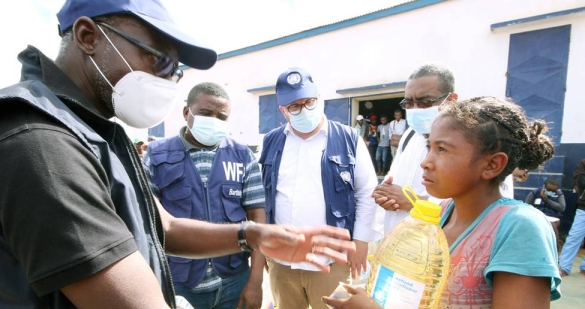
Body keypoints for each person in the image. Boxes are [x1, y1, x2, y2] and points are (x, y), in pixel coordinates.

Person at [0, 1, 356, 308]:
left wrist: (253, 235)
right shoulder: (40, 142)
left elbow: (164, 226)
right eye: (159, 61)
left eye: (176, 71)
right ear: (88, 37)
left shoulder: (97, 132)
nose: (168, 81)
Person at [323, 96, 560, 309]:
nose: (426, 162)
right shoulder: (443, 212)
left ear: (492, 164)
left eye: (442, 149)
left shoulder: (520, 228)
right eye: (429, 147)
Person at [259, 67, 384, 309]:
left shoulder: (349, 139)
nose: (303, 110)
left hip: (332, 261)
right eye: (294, 106)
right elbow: (262, 194)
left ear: (320, 100)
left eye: (309, 102)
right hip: (282, 262)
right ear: (283, 111)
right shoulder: (271, 141)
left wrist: (361, 242)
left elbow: (366, 193)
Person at [144, 82, 266, 309]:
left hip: (233, 280)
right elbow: (146, 225)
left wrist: (256, 281)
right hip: (179, 284)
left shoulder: (242, 156)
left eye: (222, 116)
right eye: (206, 113)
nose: (214, 121)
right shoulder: (156, 157)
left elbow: (258, 218)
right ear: (186, 112)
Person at [373, 63, 514, 235]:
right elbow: (394, 184)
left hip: (444, 252)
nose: (415, 110)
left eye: (425, 102)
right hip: (397, 248)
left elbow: (491, 210)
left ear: (451, 99)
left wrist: (414, 202)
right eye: (409, 103)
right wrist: (386, 196)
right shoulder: (410, 136)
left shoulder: (478, 138)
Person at [558, 158, 585, 276]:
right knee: (574, 237)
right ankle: (564, 267)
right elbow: (580, 182)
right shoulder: (583, 163)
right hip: (584, 207)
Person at [525, 178, 565, 245]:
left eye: (553, 191)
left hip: (552, 217)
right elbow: (526, 204)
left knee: (552, 226)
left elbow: (561, 208)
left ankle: (555, 246)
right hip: (536, 215)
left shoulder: (559, 194)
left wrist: (547, 200)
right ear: (544, 186)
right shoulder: (535, 192)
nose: (551, 192)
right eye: (549, 190)